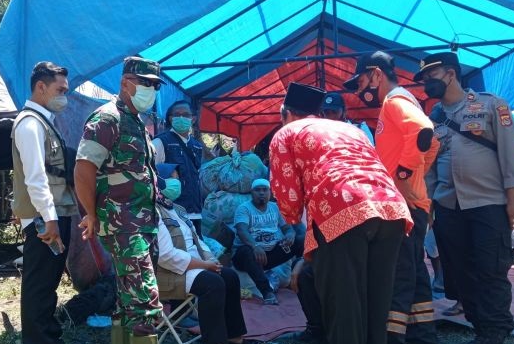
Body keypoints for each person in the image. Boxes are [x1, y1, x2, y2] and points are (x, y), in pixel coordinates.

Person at [271, 82, 412, 344]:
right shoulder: (351, 129)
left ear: (285, 113)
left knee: (344, 303)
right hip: (391, 207)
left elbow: (288, 197)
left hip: (341, 209)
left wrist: (292, 220)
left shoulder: (287, 132)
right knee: (377, 302)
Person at [416, 52, 514, 344]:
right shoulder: (432, 119)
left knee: (490, 269)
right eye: (424, 80)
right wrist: (427, 203)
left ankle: (494, 330)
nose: (427, 84)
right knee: (460, 272)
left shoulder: (491, 105)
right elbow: (428, 166)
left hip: (488, 201)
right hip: (448, 205)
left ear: (451, 74)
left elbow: (510, 149)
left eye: (432, 77)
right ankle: (480, 323)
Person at [344, 51, 438, 344]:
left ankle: (393, 336)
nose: (360, 91)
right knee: (415, 272)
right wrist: (416, 178)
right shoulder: (399, 101)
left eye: (361, 82)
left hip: (405, 205)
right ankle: (423, 334)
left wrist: (404, 178)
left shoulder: (396, 101)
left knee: (399, 273)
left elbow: (424, 132)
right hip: (412, 202)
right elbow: (432, 146)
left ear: (376, 74)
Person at [75, 56, 164, 343]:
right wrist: (90, 213)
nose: (151, 90)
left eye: (155, 85)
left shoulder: (137, 122)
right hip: (121, 223)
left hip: (142, 223)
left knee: (128, 300)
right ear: (125, 83)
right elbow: (83, 169)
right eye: (145, 83)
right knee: (143, 303)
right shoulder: (107, 118)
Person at [11, 61, 77, 344]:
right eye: (60, 89)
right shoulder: (29, 124)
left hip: (52, 213)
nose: (64, 95)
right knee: (39, 285)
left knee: (48, 283)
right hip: (44, 219)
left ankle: (48, 336)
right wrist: (50, 220)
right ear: (41, 87)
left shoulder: (43, 122)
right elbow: (36, 177)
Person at [155, 162, 249, 344]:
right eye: (172, 178)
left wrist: (211, 260)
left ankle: (234, 337)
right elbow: (166, 256)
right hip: (171, 272)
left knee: (229, 276)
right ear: (159, 182)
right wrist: (204, 265)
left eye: (176, 177)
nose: (177, 182)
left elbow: (198, 241)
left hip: (195, 266)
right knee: (213, 283)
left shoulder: (178, 210)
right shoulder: (154, 213)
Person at [231, 178, 303, 306]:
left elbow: (287, 228)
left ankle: (300, 280)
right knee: (247, 251)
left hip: (269, 255)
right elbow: (242, 231)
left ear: (270, 192)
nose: (261, 193)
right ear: (251, 193)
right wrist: (255, 246)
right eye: (257, 190)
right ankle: (266, 291)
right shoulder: (244, 209)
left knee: (300, 241)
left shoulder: (275, 208)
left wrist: (290, 235)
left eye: (265, 190)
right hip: (247, 256)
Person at [152, 101, 205, 235]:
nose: (181, 118)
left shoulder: (197, 146)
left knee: (198, 251)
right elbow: (150, 173)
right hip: (172, 213)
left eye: (185, 114)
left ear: (193, 118)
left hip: (195, 212)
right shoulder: (160, 142)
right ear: (170, 118)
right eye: (177, 114)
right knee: (180, 252)